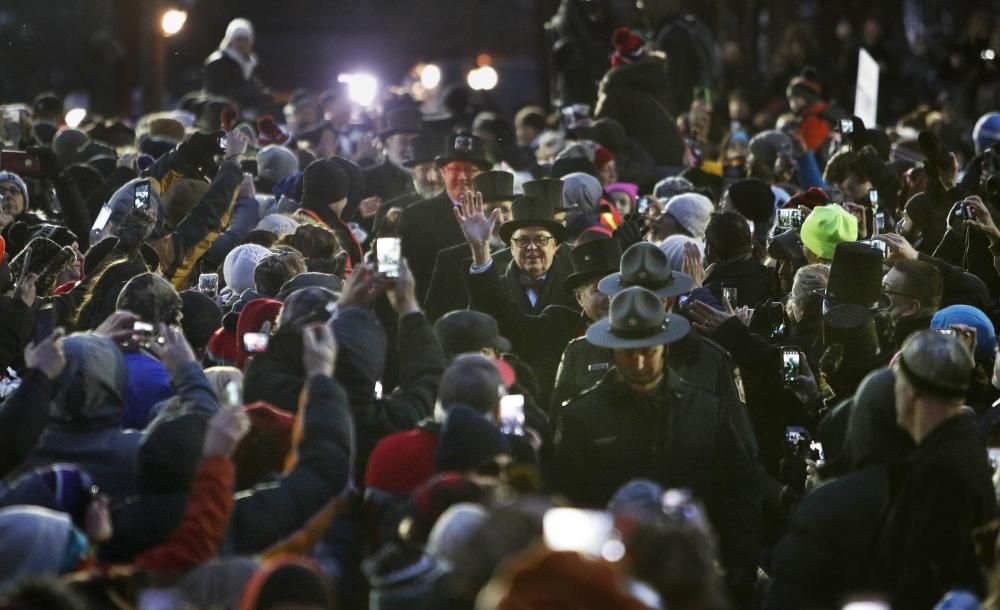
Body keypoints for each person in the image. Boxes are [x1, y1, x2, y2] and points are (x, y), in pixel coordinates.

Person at [552, 286, 760, 594]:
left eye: (647, 352)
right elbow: (566, 500)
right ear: (612, 350)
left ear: (664, 347)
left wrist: (738, 565)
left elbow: (738, 493)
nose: (638, 364)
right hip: (611, 579)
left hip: (691, 578)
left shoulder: (707, 411)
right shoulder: (582, 417)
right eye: (628, 353)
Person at [871, 331, 996, 608]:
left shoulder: (941, 472)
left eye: (897, 382)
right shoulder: (961, 446)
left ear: (912, 392)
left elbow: (923, 582)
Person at [398, 132, 492, 302]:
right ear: (443, 172)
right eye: (455, 169)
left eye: (470, 170)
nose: (463, 177)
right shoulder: (414, 216)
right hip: (432, 316)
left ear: (483, 174)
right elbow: (390, 272)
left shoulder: (496, 214)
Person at [423, 170, 516, 321]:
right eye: (489, 211)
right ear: (475, 212)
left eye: (505, 210)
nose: (498, 219)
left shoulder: (524, 257)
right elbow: (435, 315)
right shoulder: (449, 260)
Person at [594, 27, 686, 168]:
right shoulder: (661, 78)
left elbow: (604, 137)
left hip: (640, 173)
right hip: (675, 161)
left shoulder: (614, 92)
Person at [202, 18, 272, 113]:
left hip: (247, 111)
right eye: (239, 39)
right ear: (230, 39)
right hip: (223, 113)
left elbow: (257, 87)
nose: (242, 44)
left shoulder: (251, 63)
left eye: (246, 40)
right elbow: (215, 93)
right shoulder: (217, 62)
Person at [881, 259, 943, 346]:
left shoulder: (894, 348)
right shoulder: (942, 338)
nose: (880, 295)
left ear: (911, 307)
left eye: (886, 289)